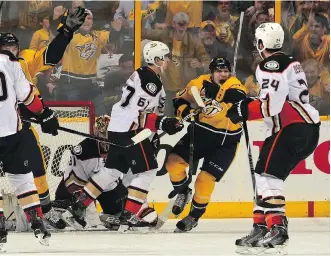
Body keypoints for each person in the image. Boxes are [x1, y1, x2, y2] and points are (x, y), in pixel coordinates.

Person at [61, 41, 184, 230]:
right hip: (132, 131)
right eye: (165, 57)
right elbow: (138, 112)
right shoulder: (150, 82)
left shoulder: (143, 74)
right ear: (157, 59)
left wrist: (160, 124)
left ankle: (78, 206)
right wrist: (162, 122)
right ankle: (129, 213)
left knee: (112, 171)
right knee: (147, 170)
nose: (168, 60)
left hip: (118, 129)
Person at [226, 23, 320, 254]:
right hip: (302, 128)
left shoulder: (270, 64)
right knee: (262, 176)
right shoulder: (291, 62)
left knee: (269, 176)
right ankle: (260, 226)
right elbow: (275, 96)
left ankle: (278, 228)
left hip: (292, 126)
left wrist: (244, 110)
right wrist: (246, 101)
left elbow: (272, 105)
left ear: (260, 44)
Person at [0, 7, 87, 229]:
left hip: (21, 121)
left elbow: (50, 56)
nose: (10, 50)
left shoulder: (24, 59)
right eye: (5, 47)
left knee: (37, 166)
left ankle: (44, 211)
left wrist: (66, 31)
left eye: (13, 47)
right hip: (9, 120)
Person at [166, 57, 247, 232]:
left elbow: (238, 97)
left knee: (204, 181)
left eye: (226, 71)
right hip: (201, 133)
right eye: (219, 71)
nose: (223, 74)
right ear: (211, 72)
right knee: (172, 162)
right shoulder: (198, 83)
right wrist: (185, 112)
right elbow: (179, 99)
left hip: (226, 140)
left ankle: (194, 216)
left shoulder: (235, 84)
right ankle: (182, 191)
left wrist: (217, 91)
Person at [52, 115, 158, 230]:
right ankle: (52, 212)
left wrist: (141, 206)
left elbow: (132, 179)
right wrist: (90, 217)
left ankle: (110, 219)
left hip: (107, 187)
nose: (106, 138)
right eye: (102, 134)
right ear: (96, 134)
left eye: (109, 133)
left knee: (120, 209)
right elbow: (74, 180)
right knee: (70, 209)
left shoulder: (123, 146)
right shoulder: (84, 150)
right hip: (77, 185)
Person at [0, 48, 59, 248]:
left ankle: (0, 227)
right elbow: (28, 96)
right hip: (12, 131)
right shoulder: (11, 62)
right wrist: (45, 114)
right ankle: (37, 221)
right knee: (22, 177)